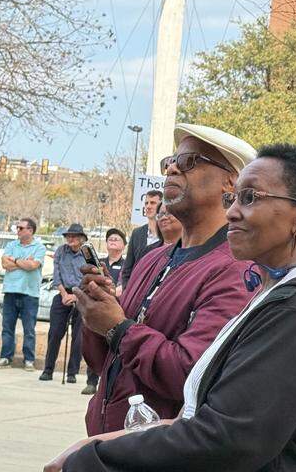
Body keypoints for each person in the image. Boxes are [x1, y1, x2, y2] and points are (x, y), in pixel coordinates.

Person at [45, 143, 296, 472]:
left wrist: (97, 458)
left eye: (250, 197)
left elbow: (227, 438)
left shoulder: (294, 313)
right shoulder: (268, 297)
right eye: (235, 197)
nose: (233, 211)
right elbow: (202, 414)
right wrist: (106, 440)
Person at [76, 123, 257, 435]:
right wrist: (98, 313)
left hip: (164, 452)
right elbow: (101, 363)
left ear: (231, 182)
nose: (172, 168)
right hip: (110, 444)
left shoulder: (234, 270)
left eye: (188, 161)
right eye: (171, 161)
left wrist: (118, 327)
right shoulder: (152, 259)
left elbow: (189, 374)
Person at [39, 224, 96, 388]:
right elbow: (57, 276)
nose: (70, 239)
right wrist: (64, 294)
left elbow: (92, 276)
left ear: (82, 238)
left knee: (79, 337)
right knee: (55, 332)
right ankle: (48, 369)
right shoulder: (61, 251)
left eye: (74, 236)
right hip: (63, 293)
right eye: (68, 236)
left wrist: (76, 295)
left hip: (82, 295)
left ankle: (72, 372)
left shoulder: (88, 253)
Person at [0, 218, 46, 372]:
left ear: (30, 230)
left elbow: (33, 266)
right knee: (7, 327)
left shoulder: (39, 247)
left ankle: (29, 359)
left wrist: (15, 260)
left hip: (30, 293)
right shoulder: (11, 245)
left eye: (21, 228)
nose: (17, 230)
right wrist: (23, 262)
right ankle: (5, 357)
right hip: (10, 291)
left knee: (29, 329)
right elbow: (5, 264)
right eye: (17, 228)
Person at [120, 190, 162, 288]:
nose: (148, 206)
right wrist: (127, 290)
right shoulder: (137, 233)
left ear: (161, 206)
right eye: (146, 203)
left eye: (153, 203)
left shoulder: (168, 235)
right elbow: (127, 268)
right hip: (134, 288)